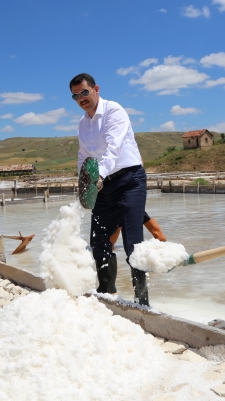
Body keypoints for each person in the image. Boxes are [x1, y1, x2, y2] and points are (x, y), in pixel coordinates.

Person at [70, 73, 151, 306]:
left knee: (133, 245)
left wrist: (98, 177)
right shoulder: (82, 124)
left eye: (84, 92)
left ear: (96, 89)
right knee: (99, 241)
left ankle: (142, 302)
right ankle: (107, 295)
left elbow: (112, 148)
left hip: (129, 181)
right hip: (102, 184)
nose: (81, 98)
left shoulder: (114, 111)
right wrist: (83, 183)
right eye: (75, 96)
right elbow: (84, 156)